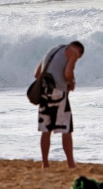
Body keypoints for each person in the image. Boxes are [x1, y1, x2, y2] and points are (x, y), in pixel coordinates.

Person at [34, 40, 85, 168]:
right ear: (78, 50)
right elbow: (68, 73)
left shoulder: (52, 50)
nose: (76, 59)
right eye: (79, 57)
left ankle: (45, 163)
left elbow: (37, 74)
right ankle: (71, 164)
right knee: (66, 129)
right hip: (58, 92)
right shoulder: (73, 52)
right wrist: (72, 84)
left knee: (46, 129)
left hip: (44, 92)